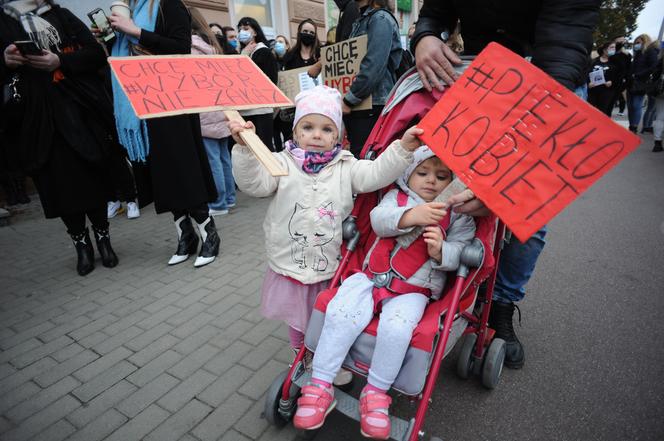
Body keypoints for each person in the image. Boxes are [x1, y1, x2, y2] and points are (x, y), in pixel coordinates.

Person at [411, 0, 600, 369]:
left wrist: (504, 186)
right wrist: (426, 35)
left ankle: (500, 303)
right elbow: (436, 9)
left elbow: (563, 49)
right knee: (449, 192)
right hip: (480, 78)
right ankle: (458, 283)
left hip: (548, 84)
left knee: (526, 214)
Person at [293, 146, 475, 438]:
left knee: (397, 329)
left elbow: (464, 250)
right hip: (369, 276)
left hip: (414, 289)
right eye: (423, 173)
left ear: (452, 182)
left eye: (442, 177)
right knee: (341, 312)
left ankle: (376, 393)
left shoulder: (457, 216)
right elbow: (378, 220)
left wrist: (442, 250)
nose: (431, 181)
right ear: (408, 173)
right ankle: (320, 383)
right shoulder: (396, 197)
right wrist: (410, 216)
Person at [229, 85, 420, 359]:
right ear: (295, 132)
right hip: (289, 260)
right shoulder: (280, 163)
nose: (316, 134)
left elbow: (376, 173)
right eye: (307, 127)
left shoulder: (346, 166)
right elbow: (254, 184)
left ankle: (324, 354)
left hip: (329, 261)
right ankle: (300, 355)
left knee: (326, 314)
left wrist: (402, 148)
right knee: (295, 316)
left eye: (327, 129)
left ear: (339, 137)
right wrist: (246, 150)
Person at [1, 0, 119, 276]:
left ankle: (103, 238)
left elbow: (94, 54)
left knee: (93, 178)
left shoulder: (60, 15)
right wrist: (5, 60)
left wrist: (60, 60)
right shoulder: (2, 21)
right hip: (36, 120)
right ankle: (81, 244)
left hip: (78, 111)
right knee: (60, 187)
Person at [108, 0, 220, 268]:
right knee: (163, 174)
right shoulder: (134, 10)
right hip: (142, 102)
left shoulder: (169, 4)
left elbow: (180, 47)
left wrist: (135, 31)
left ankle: (210, 233)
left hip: (172, 101)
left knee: (184, 169)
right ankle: (185, 235)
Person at [190, 7, 236, 216]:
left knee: (213, 160)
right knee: (223, 157)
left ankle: (218, 204)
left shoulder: (191, 48)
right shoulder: (213, 46)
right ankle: (230, 198)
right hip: (222, 109)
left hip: (205, 111)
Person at [342, 0, 402, 158]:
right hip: (360, 104)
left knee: (365, 160)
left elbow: (373, 65)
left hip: (372, 104)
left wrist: (349, 99)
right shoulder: (360, 21)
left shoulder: (380, 19)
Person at [237, 16, 278, 151]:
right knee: (249, 148)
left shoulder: (263, 52)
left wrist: (244, 58)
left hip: (261, 108)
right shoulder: (242, 53)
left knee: (264, 146)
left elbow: (270, 80)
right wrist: (243, 55)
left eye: (246, 28)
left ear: (255, 32)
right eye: (240, 29)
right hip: (244, 109)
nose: (242, 31)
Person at [627, 34, 659, 133]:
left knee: (636, 105)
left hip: (641, 82)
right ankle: (631, 126)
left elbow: (653, 66)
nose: (636, 45)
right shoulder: (638, 54)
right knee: (631, 106)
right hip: (632, 82)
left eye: (638, 42)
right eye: (635, 43)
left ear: (644, 42)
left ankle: (634, 127)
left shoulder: (650, 52)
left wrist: (639, 75)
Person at [588, 41, 617, 116]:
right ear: (604, 50)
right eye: (611, 47)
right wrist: (588, 83)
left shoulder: (614, 63)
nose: (613, 49)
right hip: (592, 91)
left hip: (606, 92)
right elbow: (587, 74)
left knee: (602, 113)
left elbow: (617, 78)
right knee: (590, 112)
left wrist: (611, 82)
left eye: (614, 48)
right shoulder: (594, 61)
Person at [610, 36, 632, 116]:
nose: (622, 42)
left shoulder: (626, 55)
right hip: (609, 79)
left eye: (623, 41)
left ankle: (621, 109)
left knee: (619, 97)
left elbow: (628, 68)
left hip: (619, 81)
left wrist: (626, 80)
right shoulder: (610, 52)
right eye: (619, 41)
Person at [652, 53, 664, 152]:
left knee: (660, 116)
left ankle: (657, 142)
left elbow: (655, 74)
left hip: (661, 90)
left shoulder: (661, 59)